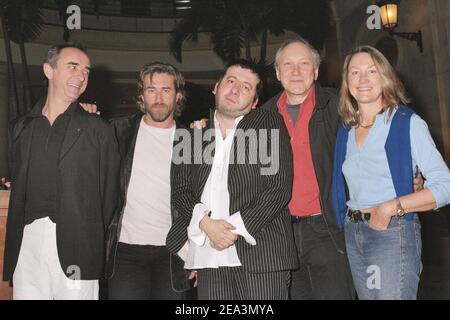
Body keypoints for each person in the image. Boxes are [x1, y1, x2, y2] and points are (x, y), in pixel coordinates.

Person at [166, 59, 297, 300]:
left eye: (246, 87)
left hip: (261, 253)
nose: (236, 89)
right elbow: (180, 192)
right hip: (208, 255)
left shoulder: (266, 123)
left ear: (255, 102)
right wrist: (206, 225)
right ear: (216, 87)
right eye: (231, 81)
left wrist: (230, 230)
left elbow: (277, 188)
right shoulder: (192, 135)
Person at [3, 43, 120, 300]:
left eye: (86, 71)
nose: (81, 76)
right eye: (73, 67)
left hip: (78, 246)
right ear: (48, 70)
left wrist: (86, 230)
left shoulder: (97, 129)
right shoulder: (21, 128)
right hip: (26, 246)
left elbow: (110, 196)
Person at [332, 45, 450, 300]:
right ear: (346, 82)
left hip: (393, 232)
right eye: (354, 72)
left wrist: (390, 208)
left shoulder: (407, 123)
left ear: (385, 77)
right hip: (355, 233)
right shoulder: (346, 130)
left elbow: (445, 186)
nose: (363, 79)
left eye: (371, 71)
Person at [261, 37, 355, 299]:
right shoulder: (261, 118)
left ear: (315, 71)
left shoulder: (340, 107)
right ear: (278, 73)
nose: (296, 71)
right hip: (281, 235)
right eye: (288, 64)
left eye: (304, 64)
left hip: (328, 230)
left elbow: (371, 148)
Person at [105, 62, 193, 299]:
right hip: (125, 251)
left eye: (166, 90)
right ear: (141, 95)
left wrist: (198, 253)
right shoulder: (117, 132)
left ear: (178, 96)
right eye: (151, 90)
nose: (159, 98)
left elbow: (204, 199)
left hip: (174, 252)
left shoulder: (193, 141)